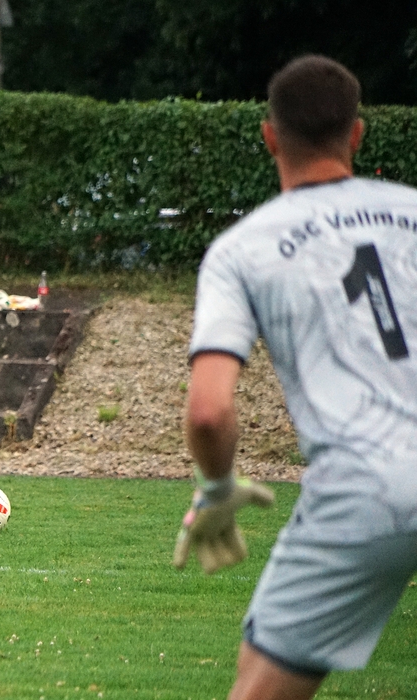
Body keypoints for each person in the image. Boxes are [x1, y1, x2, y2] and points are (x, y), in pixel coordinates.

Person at [172, 55, 417, 700]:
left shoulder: (241, 249)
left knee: (258, 681)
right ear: (357, 134)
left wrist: (217, 487)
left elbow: (207, 412)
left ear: (269, 137)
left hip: (368, 490)